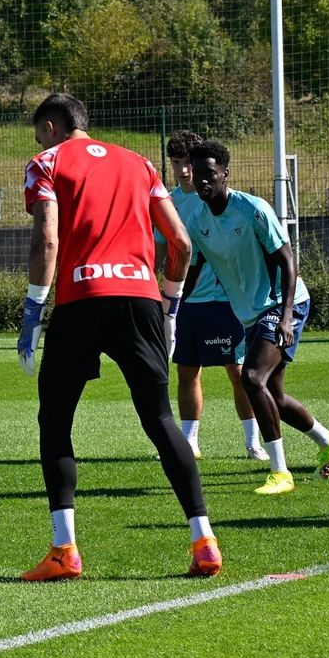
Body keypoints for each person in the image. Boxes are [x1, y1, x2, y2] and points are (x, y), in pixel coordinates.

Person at [17, 93, 221, 580]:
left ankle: (65, 550)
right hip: (141, 300)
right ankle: (204, 542)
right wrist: (171, 308)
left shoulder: (46, 162)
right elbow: (181, 242)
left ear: (51, 127)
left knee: (55, 420)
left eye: (39, 134)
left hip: (81, 298)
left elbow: (48, 239)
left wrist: (32, 311)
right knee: (161, 420)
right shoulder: (140, 164)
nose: (39, 143)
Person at [184, 140, 329, 495]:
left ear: (225, 174)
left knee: (252, 378)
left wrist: (286, 317)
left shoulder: (253, 210)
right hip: (250, 314)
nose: (202, 180)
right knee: (274, 395)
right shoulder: (197, 221)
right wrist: (171, 307)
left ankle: (280, 473)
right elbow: (193, 269)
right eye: (197, 174)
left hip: (283, 304)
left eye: (209, 173)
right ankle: (328, 440)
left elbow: (287, 260)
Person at [158, 131, 266, 461]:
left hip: (224, 299)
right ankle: (189, 442)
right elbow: (160, 249)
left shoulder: (219, 199)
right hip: (187, 301)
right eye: (176, 163)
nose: (183, 170)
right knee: (187, 371)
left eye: (187, 162)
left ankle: (253, 441)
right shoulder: (168, 202)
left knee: (238, 370)